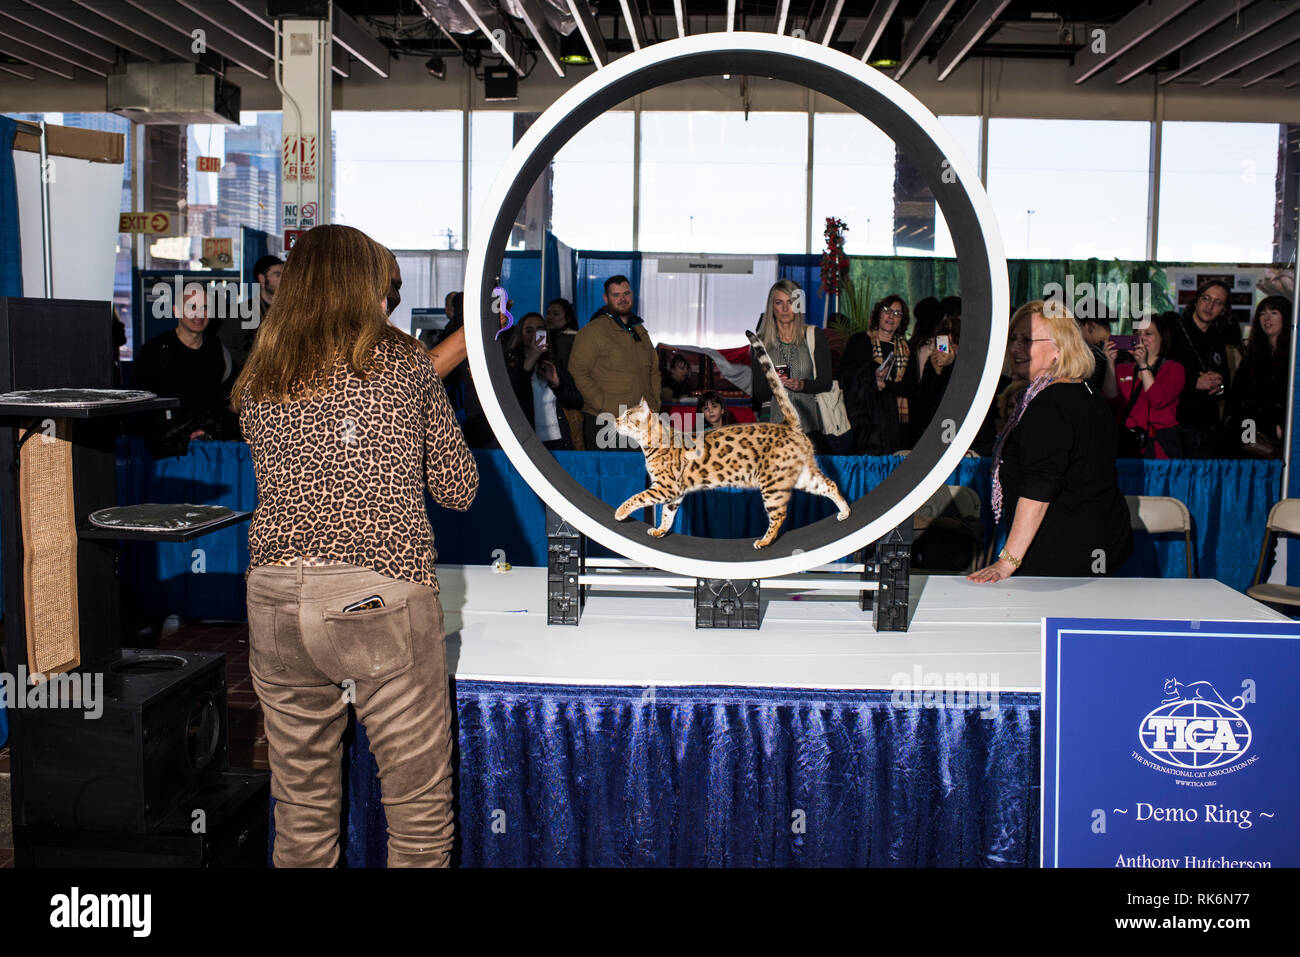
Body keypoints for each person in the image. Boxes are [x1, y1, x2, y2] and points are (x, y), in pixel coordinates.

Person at [232, 224, 477, 868]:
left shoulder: (264, 369)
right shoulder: (403, 363)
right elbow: (457, 489)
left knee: (301, 814)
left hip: (275, 597)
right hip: (377, 592)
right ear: (369, 287)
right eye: (387, 292)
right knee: (418, 817)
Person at [969, 301, 1132, 581]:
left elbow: (1039, 490)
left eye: (1028, 340)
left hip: (1060, 561)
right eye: (1014, 338)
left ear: (1060, 349)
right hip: (1096, 550)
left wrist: (1007, 562)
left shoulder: (1050, 404)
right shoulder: (1085, 391)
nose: (1015, 348)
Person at [130, 282, 238, 458]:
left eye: (204, 308)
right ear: (176, 310)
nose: (198, 314)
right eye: (192, 307)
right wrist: (177, 437)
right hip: (166, 456)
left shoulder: (218, 351)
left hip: (212, 452)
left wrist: (230, 438)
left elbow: (231, 400)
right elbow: (139, 408)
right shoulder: (155, 351)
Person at [568, 275, 661, 450]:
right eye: (616, 295)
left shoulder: (640, 331)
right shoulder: (592, 332)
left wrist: (654, 404)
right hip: (605, 422)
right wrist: (602, 404)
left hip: (641, 424)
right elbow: (578, 372)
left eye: (626, 294)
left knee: (640, 475)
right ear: (606, 298)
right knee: (610, 475)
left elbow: (654, 371)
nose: (622, 299)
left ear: (632, 295)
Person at [750, 278, 836, 448]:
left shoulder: (814, 336)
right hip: (774, 431)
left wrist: (801, 385)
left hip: (811, 427)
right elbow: (759, 395)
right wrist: (775, 383)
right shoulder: (760, 343)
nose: (784, 308)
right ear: (771, 307)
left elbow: (826, 383)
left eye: (790, 302)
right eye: (778, 302)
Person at [1102, 311, 1186, 459]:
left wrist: (1143, 365)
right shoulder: (1122, 368)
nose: (1142, 339)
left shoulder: (1174, 369)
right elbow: (1111, 399)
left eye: (1148, 333)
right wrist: (1109, 363)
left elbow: (1157, 400)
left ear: (1162, 338)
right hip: (1127, 445)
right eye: (1138, 333)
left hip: (1159, 447)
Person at [840, 295, 916, 454]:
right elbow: (844, 377)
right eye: (887, 310)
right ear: (878, 314)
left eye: (897, 313)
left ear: (902, 320)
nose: (891, 316)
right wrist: (870, 378)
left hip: (896, 423)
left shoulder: (907, 349)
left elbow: (911, 387)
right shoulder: (859, 340)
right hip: (864, 420)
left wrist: (885, 385)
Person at [1168, 279, 1234, 457]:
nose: (1210, 305)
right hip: (1177, 425)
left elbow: (1225, 384)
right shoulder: (1173, 330)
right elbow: (1157, 374)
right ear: (1196, 300)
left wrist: (1218, 388)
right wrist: (1194, 382)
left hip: (1208, 427)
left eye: (1217, 302)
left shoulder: (1217, 337)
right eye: (1206, 298)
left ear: (1223, 310)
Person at [1226, 296, 1292, 458]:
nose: (1267, 318)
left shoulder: (1293, 354)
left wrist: (1281, 425)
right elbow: (1238, 394)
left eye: (1274, 313)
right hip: (1251, 431)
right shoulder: (1253, 353)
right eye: (1262, 313)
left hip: (1283, 433)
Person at [507, 312, 583, 451]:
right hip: (529, 442)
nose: (535, 335)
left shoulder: (554, 364)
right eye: (529, 330)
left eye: (540, 330)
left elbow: (576, 401)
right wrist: (532, 358)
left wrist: (556, 383)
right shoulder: (511, 364)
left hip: (559, 440)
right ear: (520, 335)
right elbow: (512, 397)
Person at [213, 254, 282, 372]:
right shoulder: (241, 313)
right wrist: (257, 362)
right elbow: (223, 347)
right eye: (278, 274)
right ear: (262, 279)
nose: (284, 279)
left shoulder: (290, 313)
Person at [908, 315, 960, 447]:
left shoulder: (966, 364)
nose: (949, 349)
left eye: (953, 343)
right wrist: (937, 372)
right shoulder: (933, 363)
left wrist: (951, 364)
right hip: (933, 427)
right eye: (945, 343)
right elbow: (924, 399)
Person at [1075, 312, 1111, 394]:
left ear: (1089, 326)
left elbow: (1086, 389)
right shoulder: (1127, 351)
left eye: (1078, 326)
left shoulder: (1091, 353)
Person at [544, 297, 579, 369]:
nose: (550, 317)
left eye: (556, 314)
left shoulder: (572, 338)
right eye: (548, 313)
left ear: (568, 318)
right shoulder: (546, 336)